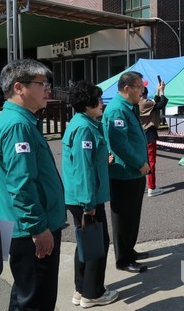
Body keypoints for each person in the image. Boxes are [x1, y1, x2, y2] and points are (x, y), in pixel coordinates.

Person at [0, 59, 65, 310]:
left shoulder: (20, 120)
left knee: (24, 294)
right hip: (31, 229)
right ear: (19, 87)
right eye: (42, 84)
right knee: (36, 300)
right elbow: (21, 184)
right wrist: (38, 228)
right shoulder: (18, 125)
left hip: (24, 225)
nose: (48, 90)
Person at [62, 81, 119, 308]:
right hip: (86, 198)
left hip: (82, 196)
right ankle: (92, 293)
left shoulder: (83, 123)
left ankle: (81, 289)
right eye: (98, 99)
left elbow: (85, 161)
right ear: (88, 104)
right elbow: (83, 168)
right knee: (98, 243)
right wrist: (88, 203)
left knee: (86, 243)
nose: (102, 103)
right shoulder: (84, 128)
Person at [101, 71, 150, 273]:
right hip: (124, 172)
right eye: (139, 87)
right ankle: (123, 259)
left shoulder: (129, 107)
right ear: (127, 88)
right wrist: (139, 163)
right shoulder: (116, 110)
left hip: (135, 172)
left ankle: (130, 250)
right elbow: (119, 144)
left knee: (133, 215)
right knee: (123, 217)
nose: (142, 90)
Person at [139, 80, 168, 197]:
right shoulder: (145, 103)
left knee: (142, 162)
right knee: (151, 162)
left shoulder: (138, 103)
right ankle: (152, 187)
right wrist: (162, 91)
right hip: (149, 134)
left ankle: (142, 186)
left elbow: (154, 104)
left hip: (141, 134)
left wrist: (157, 90)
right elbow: (161, 104)